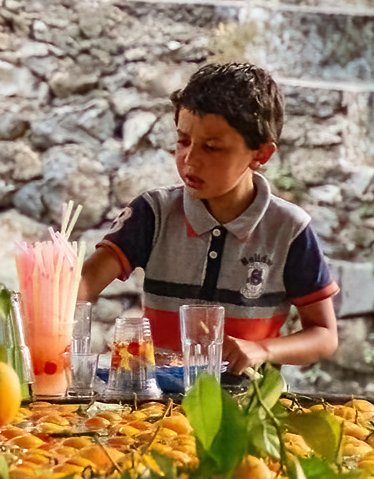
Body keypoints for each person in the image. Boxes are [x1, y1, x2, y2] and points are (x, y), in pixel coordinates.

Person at [79, 62, 339, 371]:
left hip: (243, 407)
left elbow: (323, 335)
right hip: (156, 406)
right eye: (183, 141)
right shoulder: (153, 213)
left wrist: (262, 350)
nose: (190, 159)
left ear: (261, 155)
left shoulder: (289, 229)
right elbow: (83, 285)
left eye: (212, 147)